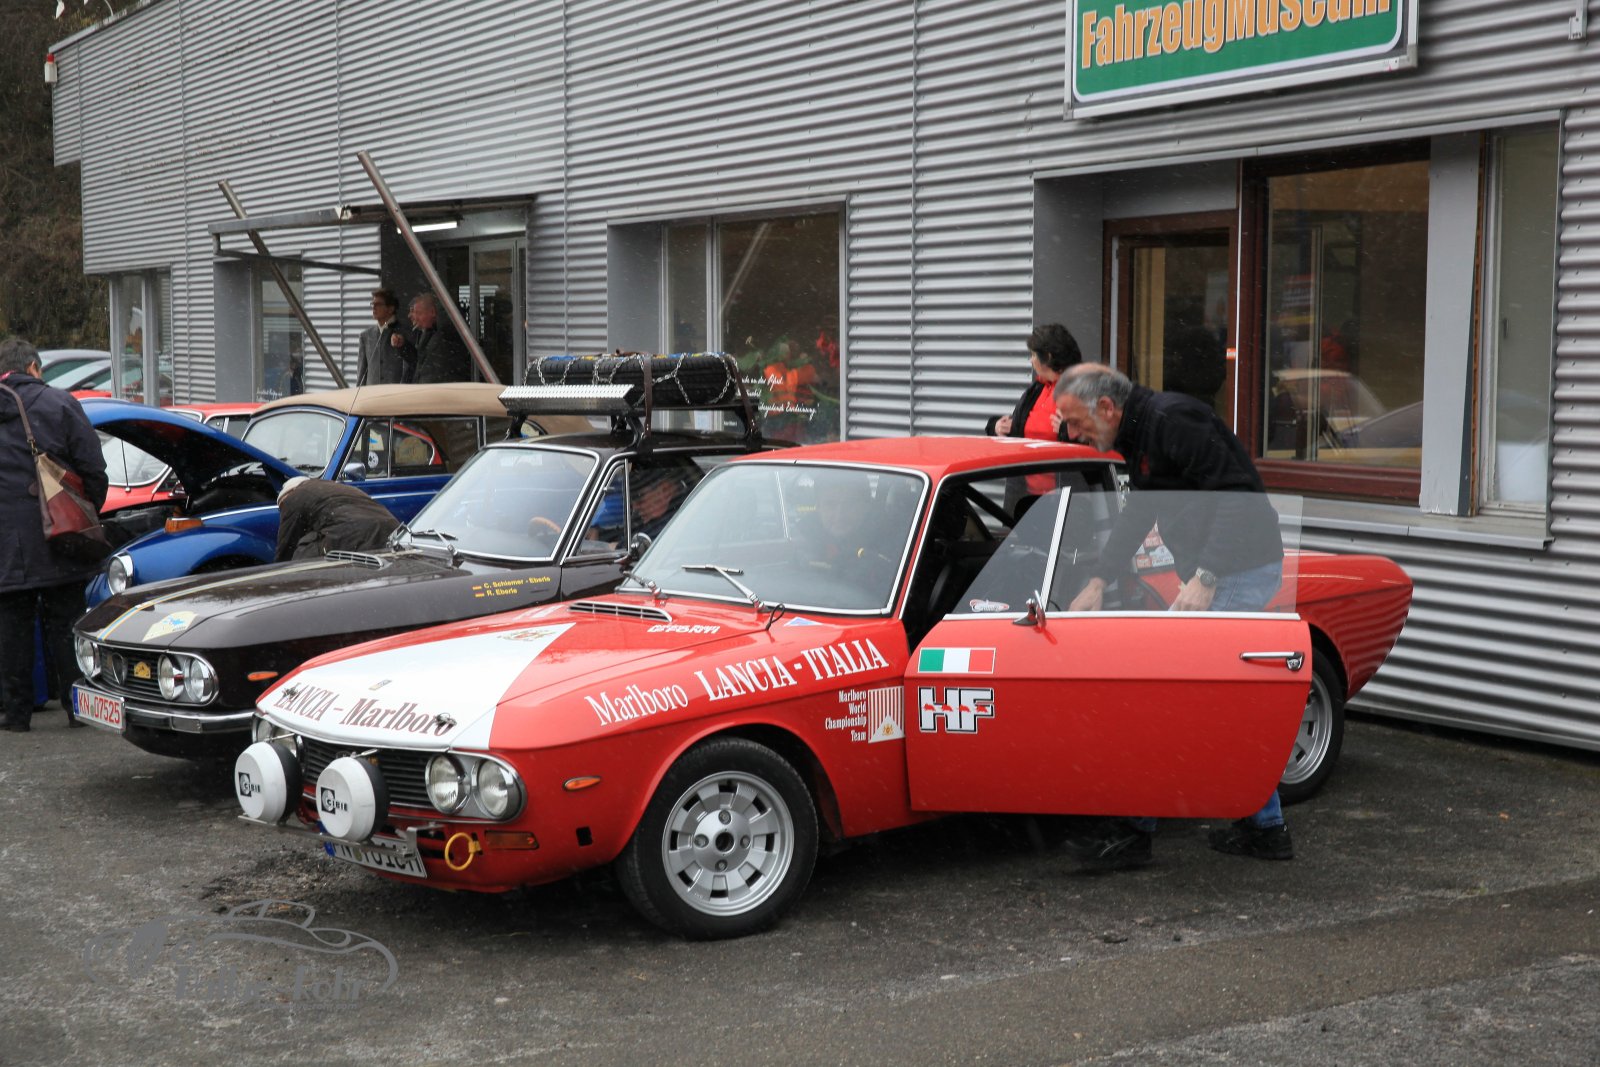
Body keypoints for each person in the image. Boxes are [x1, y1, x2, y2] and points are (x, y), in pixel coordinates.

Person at [1054, 363, 1291, 866]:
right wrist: (1098, 579)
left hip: (1238, 568)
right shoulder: (1140, 434)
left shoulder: (1175, 420)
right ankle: (1265, 828)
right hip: (1219, 569)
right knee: (1214, 705)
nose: (1071, 434)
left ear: (1106, 408)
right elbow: (1140, 510)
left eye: (1075, 422)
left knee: (1171, 700)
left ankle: (1133, 832)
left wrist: (1206, 576)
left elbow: (1237, 494)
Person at [0, 338, 108, 732]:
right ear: (33, 367)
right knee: (66, 622)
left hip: (5, 544)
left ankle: (16, 714)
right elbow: (93, 469)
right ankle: (77, 706)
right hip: (59, 535)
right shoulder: (60, 403)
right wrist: (86, 512)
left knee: (12, 628)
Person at [984, 323, 1083, 508]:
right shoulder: (1037, 389)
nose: (1031, 361)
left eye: (1033, 355)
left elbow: (1095, 442)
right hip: (1027, 499)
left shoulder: (1079, 392)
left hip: (1066, 502)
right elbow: (1017, 428)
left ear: (1048, 357)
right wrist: (996, 426)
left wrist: (1069, 432)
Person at [274, 477, 401, 561]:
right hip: (391, 530)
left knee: (303, 552)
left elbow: (287, 545)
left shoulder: (294, 497)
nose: (283, 511)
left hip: (354, 532)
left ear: (288, 494)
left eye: (282, 508)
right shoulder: (333, 487)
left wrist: (277, 575)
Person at [407, 293, 471, 384]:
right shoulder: (429, 333)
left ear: (433, 312)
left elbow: (434, 373)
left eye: (419, 313)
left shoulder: (444, 337)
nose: (415, 318)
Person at [356, 288, 415, 385]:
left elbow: (410, 368)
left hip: (397, 392)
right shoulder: (365, 336)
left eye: (378, 304)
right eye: (373, 304)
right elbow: (361, 373)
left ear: (390, 309)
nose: (374, 307)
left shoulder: (407, 332)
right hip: (372, 393)